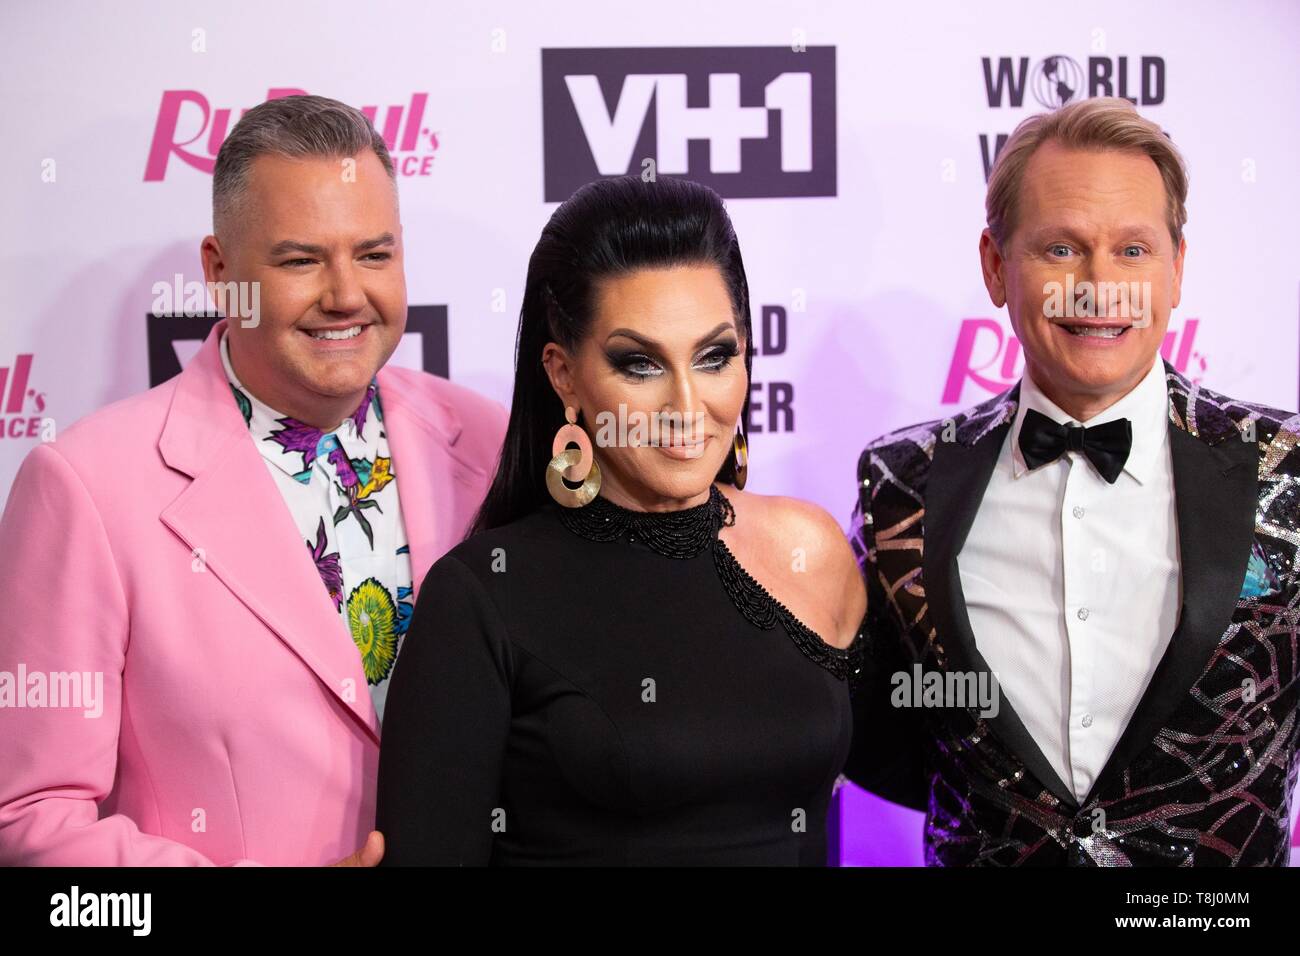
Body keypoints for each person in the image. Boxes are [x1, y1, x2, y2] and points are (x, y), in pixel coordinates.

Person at [0, 95, 506, 865]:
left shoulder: (491, 443)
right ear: (219, 272)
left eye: (374, 255)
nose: (345, 295)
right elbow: (27, 820)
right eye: (301, 260)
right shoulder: (86, 489)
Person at [844, 96, 1300, 865]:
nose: (1100, 286)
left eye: (1133, 250)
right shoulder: (903, 482)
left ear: (1177, 268)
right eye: (1060, 249)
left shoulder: (1283, 470)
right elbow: (876, 728)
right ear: (996, 265)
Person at [376, 174, 867, 865]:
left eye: (715, 355)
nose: (687, 405)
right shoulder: (483, 594)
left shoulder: (809, 550)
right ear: (564, 375)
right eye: (639, 365)